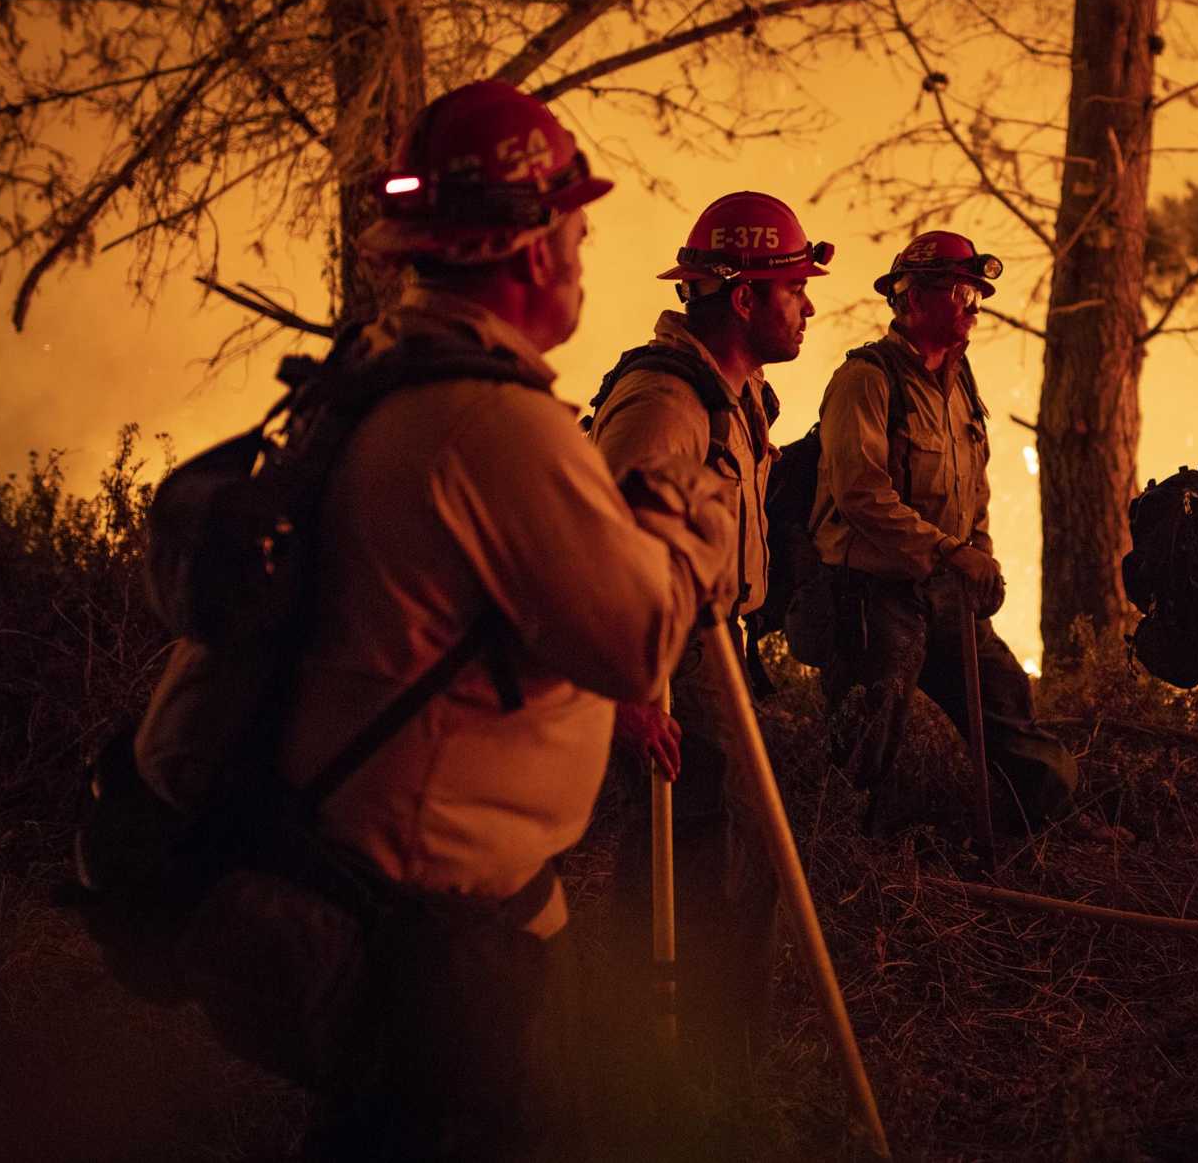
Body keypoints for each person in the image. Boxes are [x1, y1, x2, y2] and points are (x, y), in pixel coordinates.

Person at [277, 80, 735, 1159]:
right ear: (532, 252)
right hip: (431, 936)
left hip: (371, 895)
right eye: (574, 226)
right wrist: (690, 507)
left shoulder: (383, 378)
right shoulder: (496, 428)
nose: (582, 251)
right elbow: (634, 640)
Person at [585, 190, 826, 1098]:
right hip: (676, 662)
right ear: (742, 298)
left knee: (727, 864)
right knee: (702, 877)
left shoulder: (739, 396)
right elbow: (600, 559)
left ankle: (702, 1069)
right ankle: (688, 1087)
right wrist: (628, 694)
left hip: (719, 653)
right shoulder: (664, 405)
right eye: (794, 288)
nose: (807, 305)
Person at [810, 231, 1076, 832]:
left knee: (1005, 698)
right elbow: (860, 493)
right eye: (963, 291)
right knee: (867, 739)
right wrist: (952, 552)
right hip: (873, 597)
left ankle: (1040, 832)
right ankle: (842, 858)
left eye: (978, 293)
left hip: (942, 588)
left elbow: (972, 486)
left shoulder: (961, 384)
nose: (975, 305)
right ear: (914, 297)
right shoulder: (866, 381)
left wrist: (978, 555)